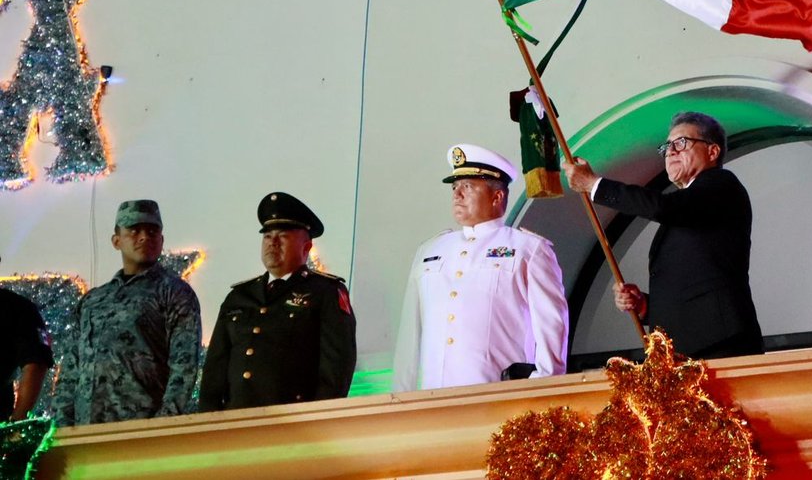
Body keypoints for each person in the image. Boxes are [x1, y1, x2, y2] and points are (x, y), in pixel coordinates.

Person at [562, 111, 764, 359]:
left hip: (720, 345)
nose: (671, 151)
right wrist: (645, 306)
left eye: (681, 143)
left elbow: (663, 207)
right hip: (685, 352)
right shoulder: (688, 208)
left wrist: (594, 185)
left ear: (712, 152)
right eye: (667, 146)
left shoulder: (721, 185)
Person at [392, 145, 568, 391]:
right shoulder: (429, 251)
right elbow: (409, 334)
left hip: (497, 398)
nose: (457, 194)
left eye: (468, 186)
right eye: (455, 187)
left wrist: (542, 391)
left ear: (497, 197)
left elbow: (551, 326)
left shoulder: (529, 249)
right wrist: (401, 396)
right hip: (433, 399)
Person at [199, 192, 357, 411]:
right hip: (235, 423)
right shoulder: (239, 296)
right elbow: (214, 370)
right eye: (267, 236)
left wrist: (318, 422)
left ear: (307, 247)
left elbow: (336, 369)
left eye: (282, 236)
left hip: (293, 425)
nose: (272, 243)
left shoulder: (325, 292)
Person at [51, 200, 202, 426]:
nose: (144, 237)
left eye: (152, 231)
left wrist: (163, 424)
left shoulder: (174, 292)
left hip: (140, 431)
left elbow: (184, 366)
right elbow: (71, 368)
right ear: (116, 241)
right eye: (134, 230)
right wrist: (61, 424)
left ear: (161, 241)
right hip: (86, 432)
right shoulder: (93, 300)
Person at [1, 286, 54, 421]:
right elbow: (36, 363)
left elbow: (36, 362)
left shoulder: (17, 307)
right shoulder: (18, 306)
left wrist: (18, 418)